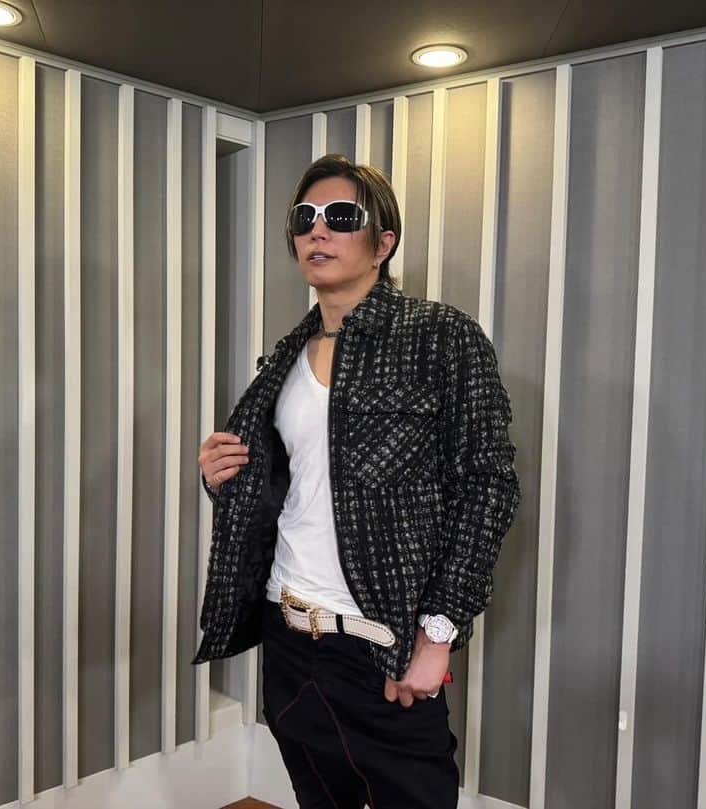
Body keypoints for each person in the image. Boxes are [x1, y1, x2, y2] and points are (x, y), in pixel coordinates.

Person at [193, 154, 521, 809]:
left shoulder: (440, 337)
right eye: (304, 218)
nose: (318, 230)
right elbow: (291, 491)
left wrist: (437, 635)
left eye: (341, 216)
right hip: (288, 635)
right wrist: (223, 476)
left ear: (383, 242)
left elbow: (488, 487)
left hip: (382, 646)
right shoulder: (287, 356)